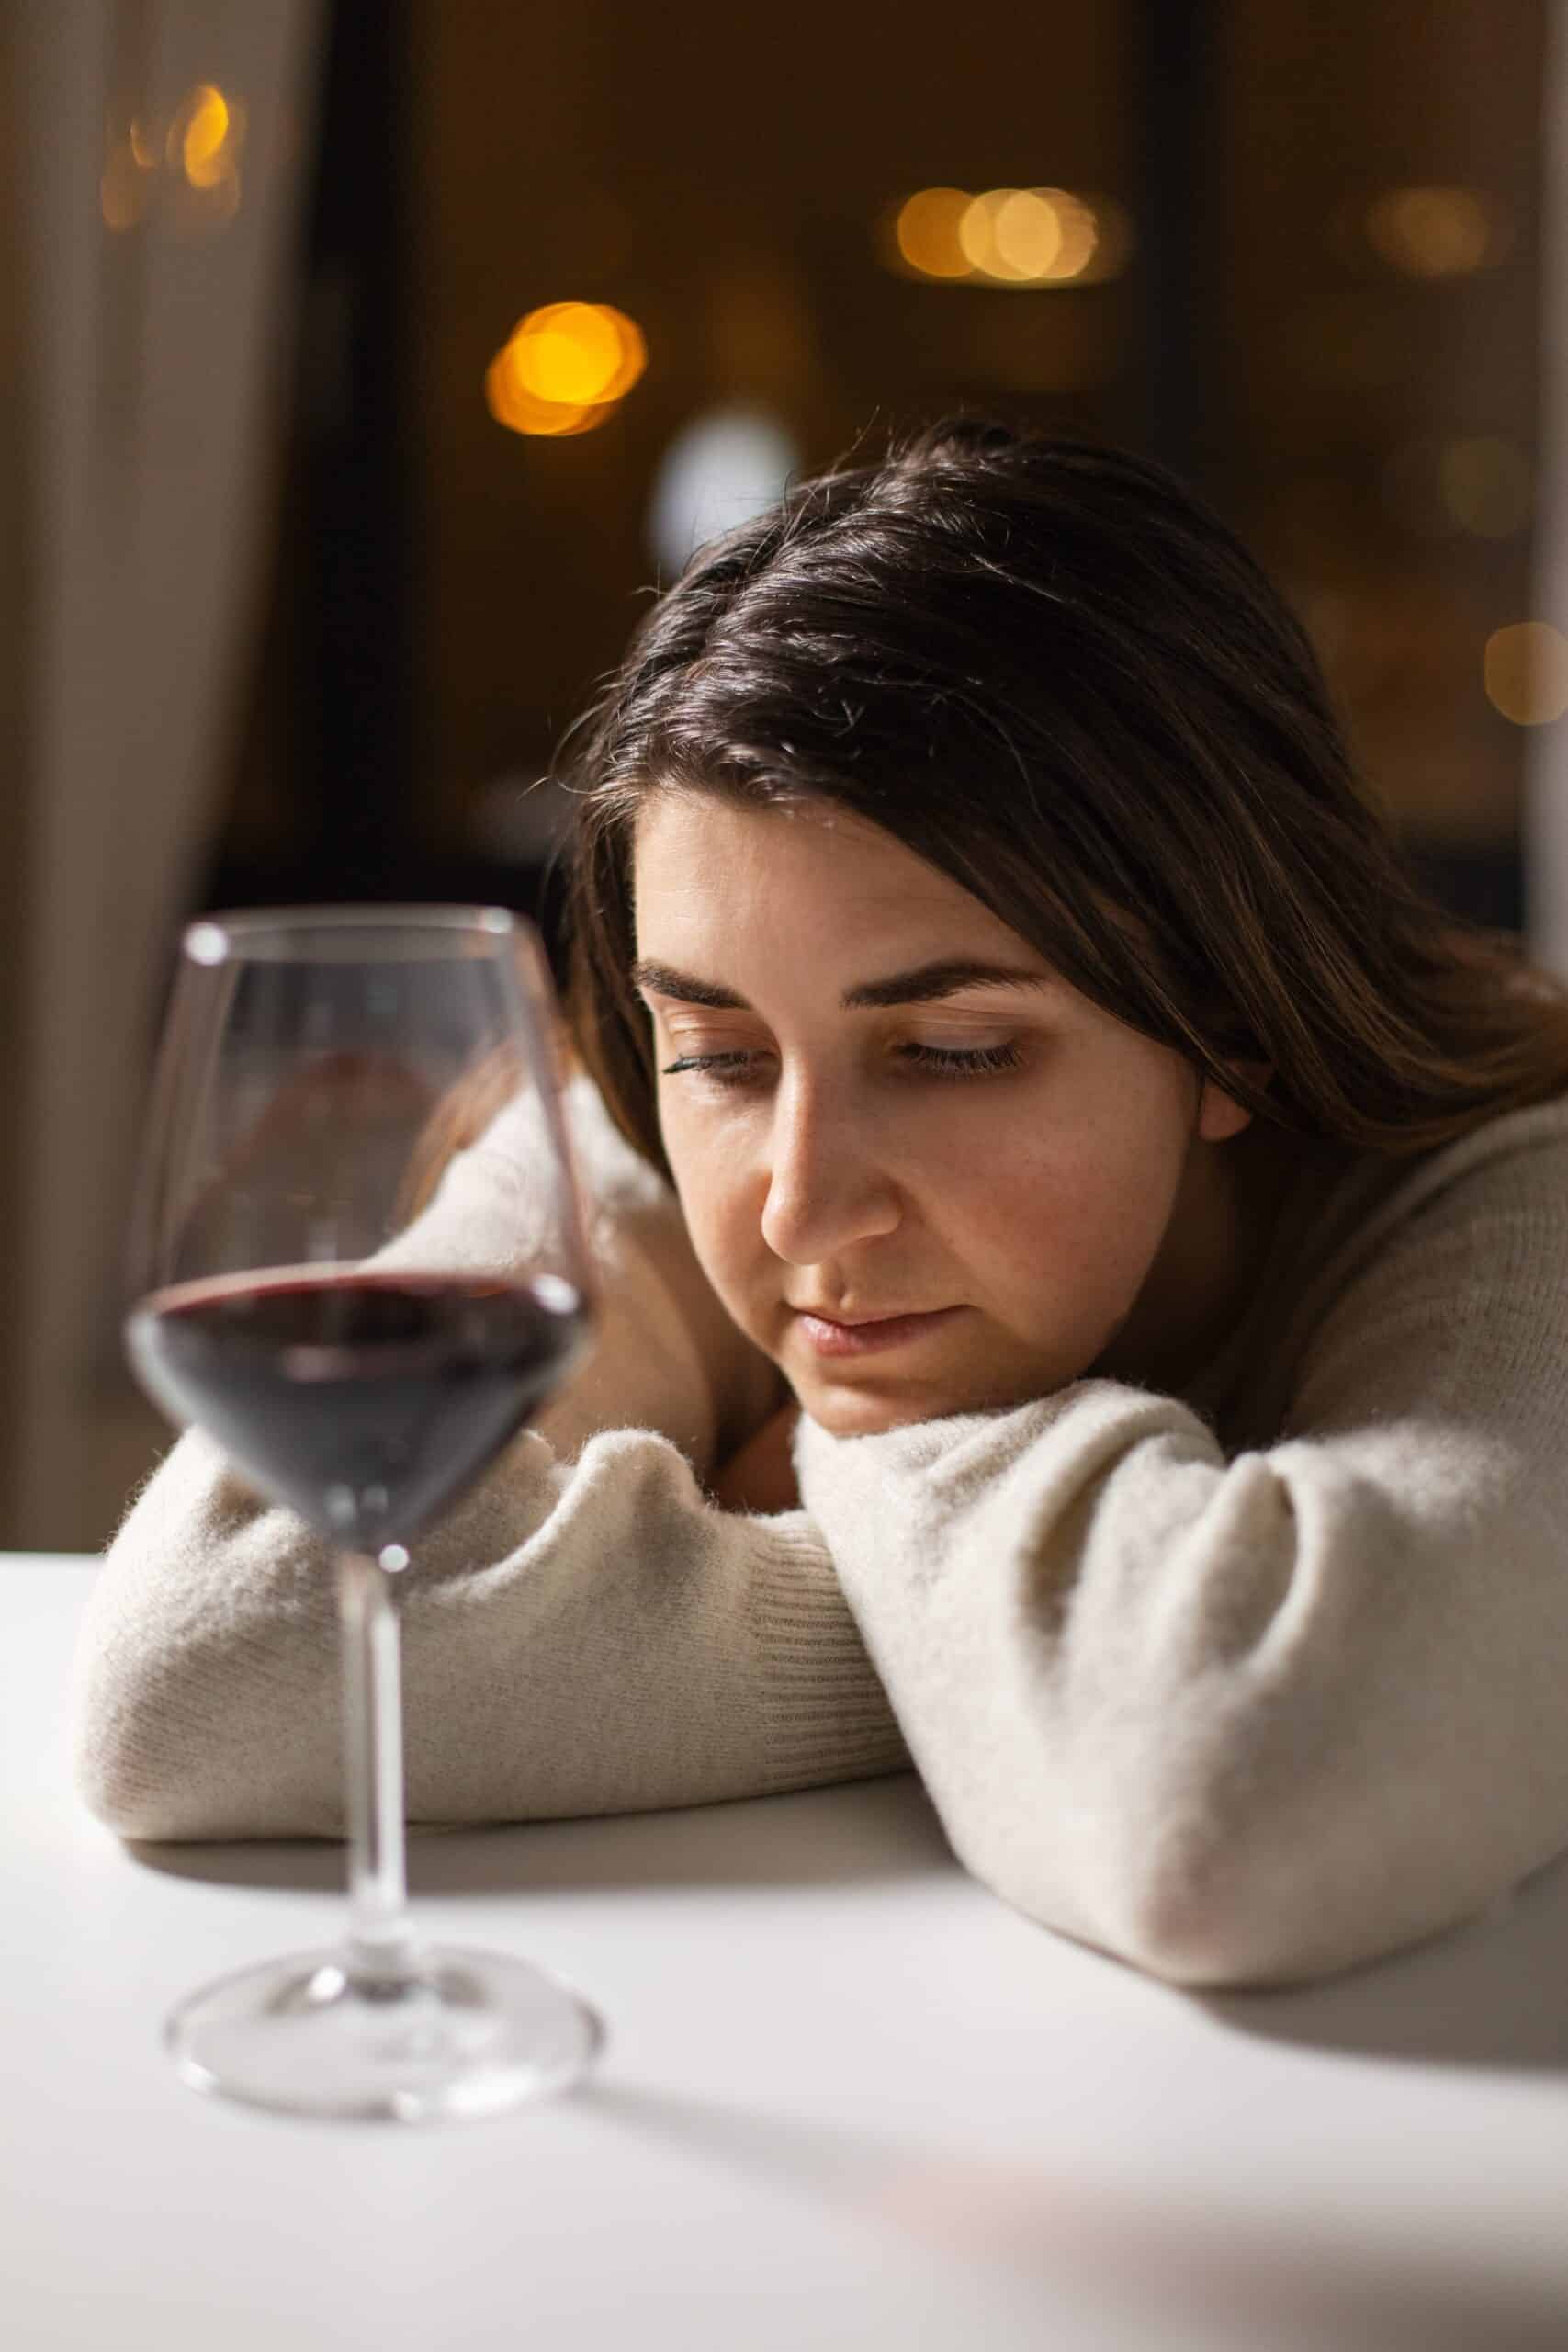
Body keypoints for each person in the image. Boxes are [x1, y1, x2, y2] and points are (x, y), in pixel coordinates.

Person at [74, 419, 1568, 1988]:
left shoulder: (1516, 1187)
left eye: (950, 1052)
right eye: (719, 1050)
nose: (796, 1208)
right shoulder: (638, 1117)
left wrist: (844, 1469)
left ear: (1231, 1021)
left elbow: (1240, 1802)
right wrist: (1027, 1655)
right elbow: (196, 1673)